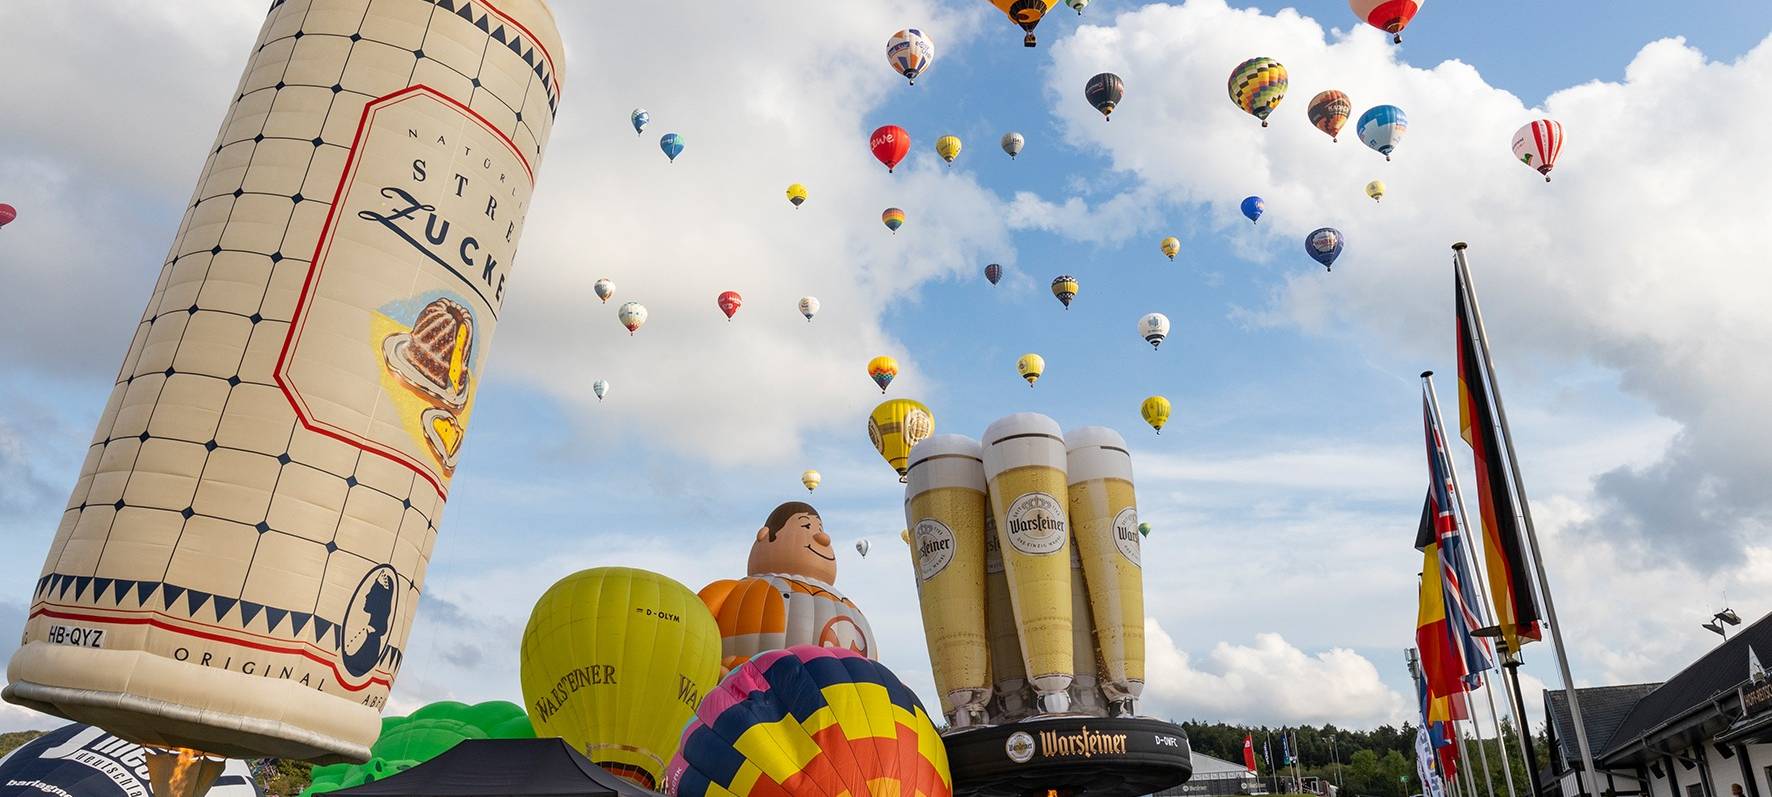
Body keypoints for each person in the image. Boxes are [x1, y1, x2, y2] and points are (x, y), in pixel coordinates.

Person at [699, 502, 877, 669]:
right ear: (765, 535)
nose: (823, 538)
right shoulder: (739, 590)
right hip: (748, 689)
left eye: (820, 529)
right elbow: (696, 622)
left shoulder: (848, 605)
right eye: (806, 527)